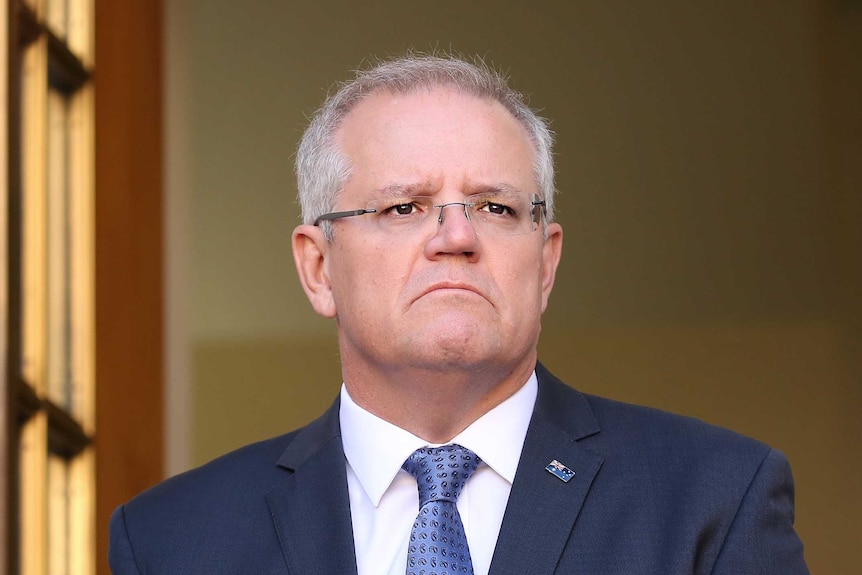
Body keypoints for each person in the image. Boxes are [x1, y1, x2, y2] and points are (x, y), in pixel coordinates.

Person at [108, 54, 809, 574]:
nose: (456, 236)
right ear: (318, 267)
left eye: (496, 207)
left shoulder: (715, 499)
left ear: (545, 262)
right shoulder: (173, 540)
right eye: (403, 206)